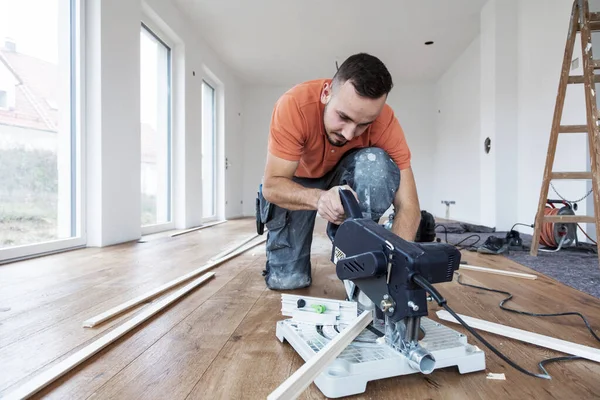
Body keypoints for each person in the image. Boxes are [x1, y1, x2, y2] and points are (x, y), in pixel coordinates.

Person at [256, 52, 422, 290]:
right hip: (298, 182)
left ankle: (360, 247)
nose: (349, 134)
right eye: (343, 117)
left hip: (345, 176)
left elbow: (409, 205)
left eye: (364, 124)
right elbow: (272, 185)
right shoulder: (294, 105)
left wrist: (397, 268)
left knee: (376, 163)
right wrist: (321, 197)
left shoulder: (385, 122)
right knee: (288, 280)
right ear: (326, 94)